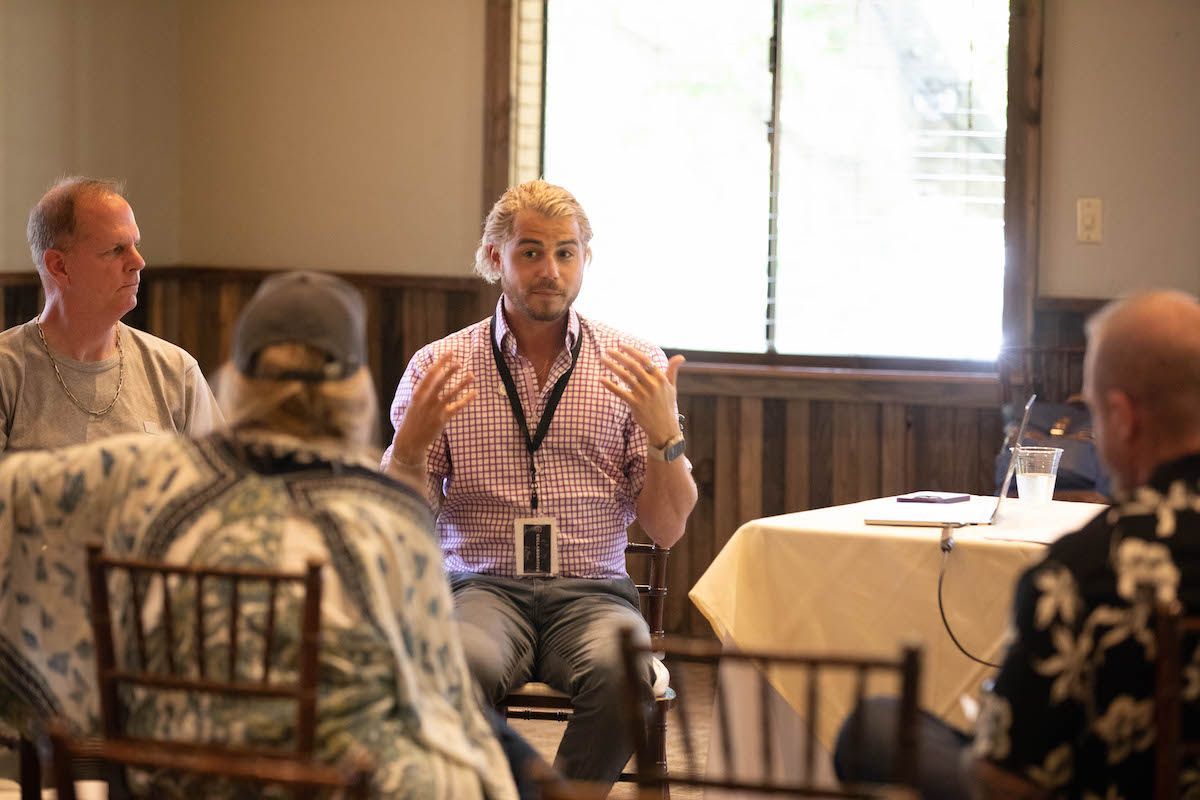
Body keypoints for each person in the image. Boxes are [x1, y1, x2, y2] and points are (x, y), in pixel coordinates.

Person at [0, 271, 521, 799]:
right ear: (355, 392)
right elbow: (435, 691)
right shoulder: (389, 515)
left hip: (167, 777)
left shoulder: (141, 474)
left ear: (238, 381)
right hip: (333, 783)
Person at [383, 179, 698, 785]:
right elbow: (400, 527)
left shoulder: (634, 364)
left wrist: (667, 438)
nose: (549, 270)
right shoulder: (439, 365)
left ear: (585, 259)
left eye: (565, 252)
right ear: (494, 257)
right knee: (449, 666)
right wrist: (409, 453)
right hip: (479, 589)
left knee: (625, 675)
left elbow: (666, 527)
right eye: (530, 251)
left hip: (594, 594)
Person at [834, 289, 1200, 798]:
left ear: (1122, 418)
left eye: (1095, 414)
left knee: (874, 728)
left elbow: (1007, 781)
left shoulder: (1083, 571)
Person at [0, 176, 222, 452]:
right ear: (59, 267)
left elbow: (224, 476)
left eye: (135, 245)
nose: (138, 262)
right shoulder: (8, 370)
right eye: (116, 250)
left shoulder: (176, 371)